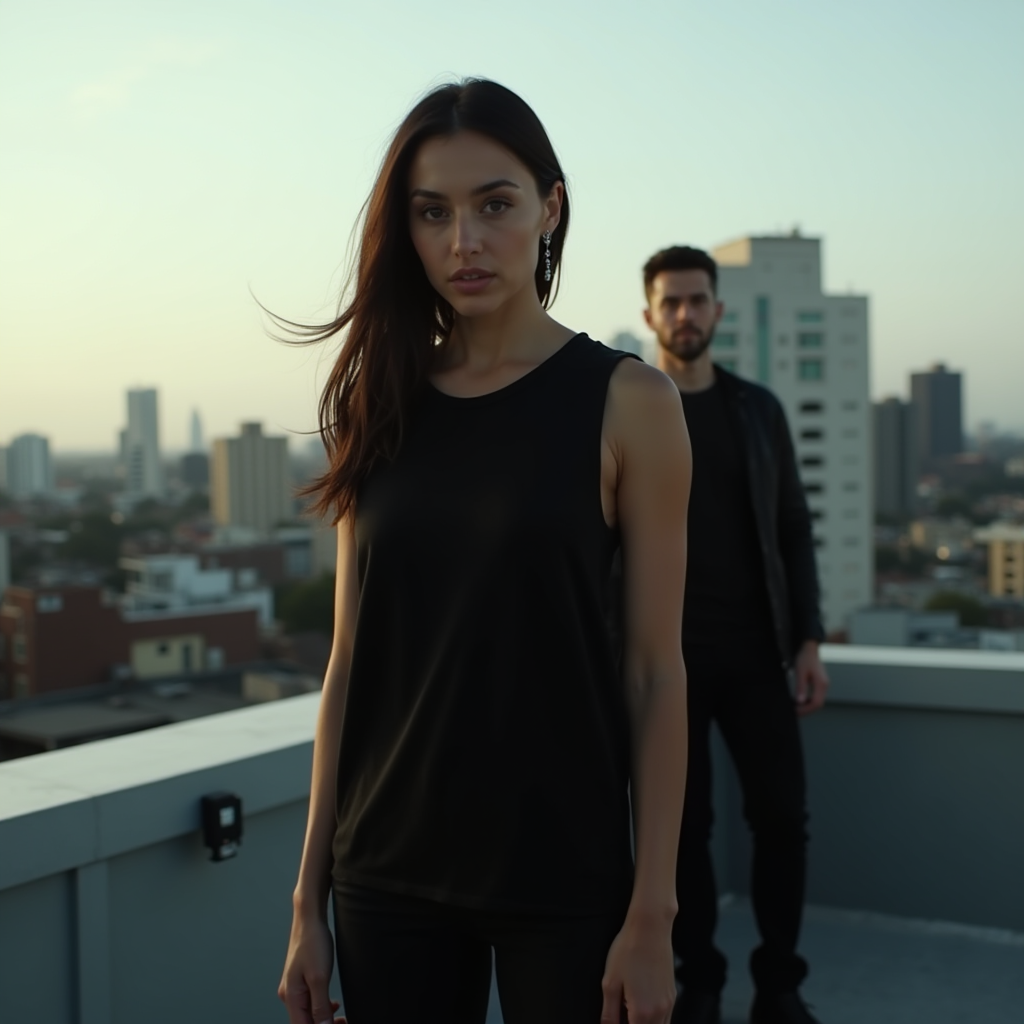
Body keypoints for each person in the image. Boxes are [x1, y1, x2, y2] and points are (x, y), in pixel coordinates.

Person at [276, 80, 693, 1024]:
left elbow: (656, 672)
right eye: (433, 213)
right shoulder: (377, 403)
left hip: (563, 870)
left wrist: (654, 914)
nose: (463, 242)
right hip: (385, 870)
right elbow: (348, 666)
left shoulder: (630, 403)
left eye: (494, 205)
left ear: (549, 208)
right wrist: (308, 899)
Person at [640, 247, 829, 1024]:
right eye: (671, 302)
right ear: (649, 314)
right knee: (682, 832)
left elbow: (792, 528)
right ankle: (701, 983)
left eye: (697, 300)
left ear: (717, 311)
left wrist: (808, 640)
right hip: (665, 662)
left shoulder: (758, 411)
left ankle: (779, 985)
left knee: (782, 818)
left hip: (756, 654)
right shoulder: (626, 409)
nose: (685, 314)